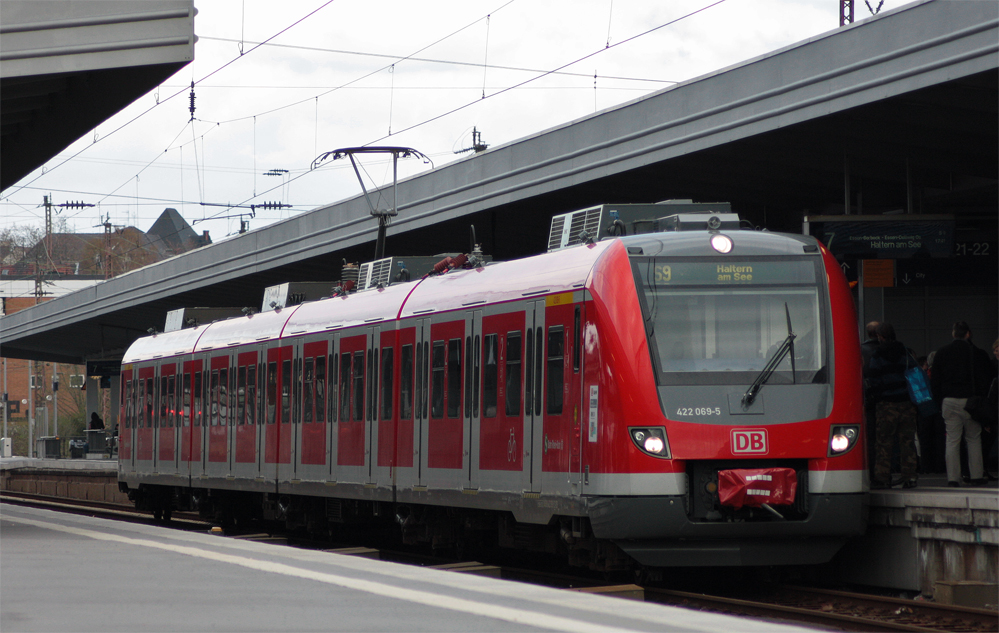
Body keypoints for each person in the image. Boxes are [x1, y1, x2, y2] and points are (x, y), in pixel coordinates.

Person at [930, 321, 994, 487]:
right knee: (973, 438)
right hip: (971, 402)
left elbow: (935, 381)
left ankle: (953, 478)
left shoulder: (942, 353)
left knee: (952, 440)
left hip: (949, 401)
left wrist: (939, 401)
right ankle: (977, 476)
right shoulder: (977, 353)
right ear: (968, 334)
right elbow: (985, 379)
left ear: (953, 334)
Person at [866, 323, 918, 488]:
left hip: (886, 405)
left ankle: (882, 478)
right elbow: (914, 373)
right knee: (907, 442)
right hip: (906, 403)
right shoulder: (905, 352)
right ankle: (910, 477)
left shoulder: (878, 354)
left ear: (880, 337)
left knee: (884, 443)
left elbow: (874, 378)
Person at [860, 321, 880, 480]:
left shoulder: (860, 350)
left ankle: (872, 473)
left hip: (868, 399)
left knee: (870, 437)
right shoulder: (890, 349)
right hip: (890, 399)